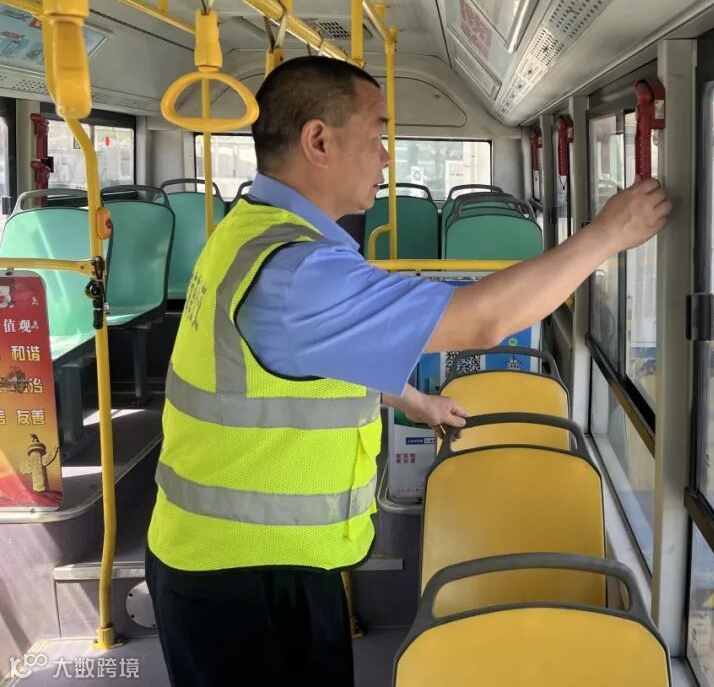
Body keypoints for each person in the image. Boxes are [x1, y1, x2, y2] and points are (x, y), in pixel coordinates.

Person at [145, 56, 670, 686]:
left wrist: (411, 402)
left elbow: (295, 364)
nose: (387, 157)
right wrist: (608, 235)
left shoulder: (253, 232)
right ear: (319, 142)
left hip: (247, 558)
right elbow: (482, 321)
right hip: (245, 578)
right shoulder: (300, 272)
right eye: (377, 134)